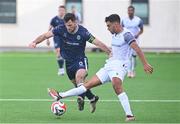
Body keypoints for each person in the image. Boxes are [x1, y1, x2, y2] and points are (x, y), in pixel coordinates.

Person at [48, 14, 153, 121]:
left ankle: (129, 115)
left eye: (108, 26)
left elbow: (137, 49)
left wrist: (145, 64)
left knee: (116, 86)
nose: (107, 28)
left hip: (120, 66)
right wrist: (109, 52)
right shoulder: (115, 34)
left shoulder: (126, 35)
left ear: (116, 24)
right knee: (86, 86)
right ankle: (59, 96)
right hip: (109, 66)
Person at [29, 13, 111, 113]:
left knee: (79, 78)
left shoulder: (83, 32)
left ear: (75, 22)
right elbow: (45, 35)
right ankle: (93, 98)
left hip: (80, 60)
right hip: (68, 63)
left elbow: (97, 42)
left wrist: (109, 52)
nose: (68, 27)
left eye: (70, 25)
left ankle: (80, 99)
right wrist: (35, 42)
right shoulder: (60, 29)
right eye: (67, 25)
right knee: (78, 86)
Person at [121, 5, 144, 78]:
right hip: (127, 40)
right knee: (128, 56)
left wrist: (137, 34)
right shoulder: (124, 20)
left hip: (135, 40)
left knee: (133, 56)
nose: (130, 12)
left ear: (133, 11)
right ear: (127, 11)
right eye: (129, 10)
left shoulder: (138, 20)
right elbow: (121, 29)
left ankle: (133, 70)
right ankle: (129, 71)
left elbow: (142, 30)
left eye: (131, 10)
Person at [46, 5, 66, 76]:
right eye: (60, 10)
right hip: (57, 38)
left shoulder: (67, 19)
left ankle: (64, 67)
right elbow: (49, 29)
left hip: (65, 38)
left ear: (64, 11)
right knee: (58, 51)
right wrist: (47, 39)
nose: (61, 12)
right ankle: (61, 69)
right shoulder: (54, 19)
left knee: (64, 53)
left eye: (62, 10)